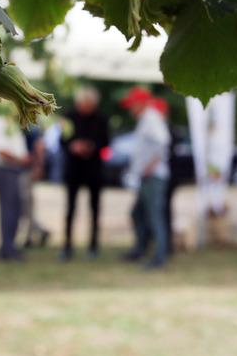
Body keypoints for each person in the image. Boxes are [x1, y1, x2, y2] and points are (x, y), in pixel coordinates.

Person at [121, 87, 171, 270]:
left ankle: (159, 256)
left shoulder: (151, 117)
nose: (130, 108)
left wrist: (151, 165)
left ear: (140, 103)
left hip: (153, 176)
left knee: (154, 216)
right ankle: (140, 249)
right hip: (146, 176)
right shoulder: (146, 118)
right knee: (138, 214)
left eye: (132, 104)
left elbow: (163, 141)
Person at [61, 86, 110, 260]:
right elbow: (62, 140)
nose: (86, 108)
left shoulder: (101, 119)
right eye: (83, 104)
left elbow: (106, 142)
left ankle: (93, 245)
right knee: (70, 208)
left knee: (95, 209)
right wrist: (73, 146)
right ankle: (67, 246)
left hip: (93, 170)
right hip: (74, 169)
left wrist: (91, 147)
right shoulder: (70, 117)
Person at [0, 110, 30, 261]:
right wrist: (20, 159)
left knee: (15, 209)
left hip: (13, 169)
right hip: (4, 169)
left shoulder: (13, 122)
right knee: (8, 209)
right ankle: (7, 249)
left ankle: (9, 246)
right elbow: (0, 150)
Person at [20, 124, 51, 249]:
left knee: (26, 205)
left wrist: (38, 166)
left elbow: (39, 146)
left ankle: (36, 232)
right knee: (26, 206)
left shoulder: (31, 126)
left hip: (26, 170)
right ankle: (31, 235)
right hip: (22, 169)